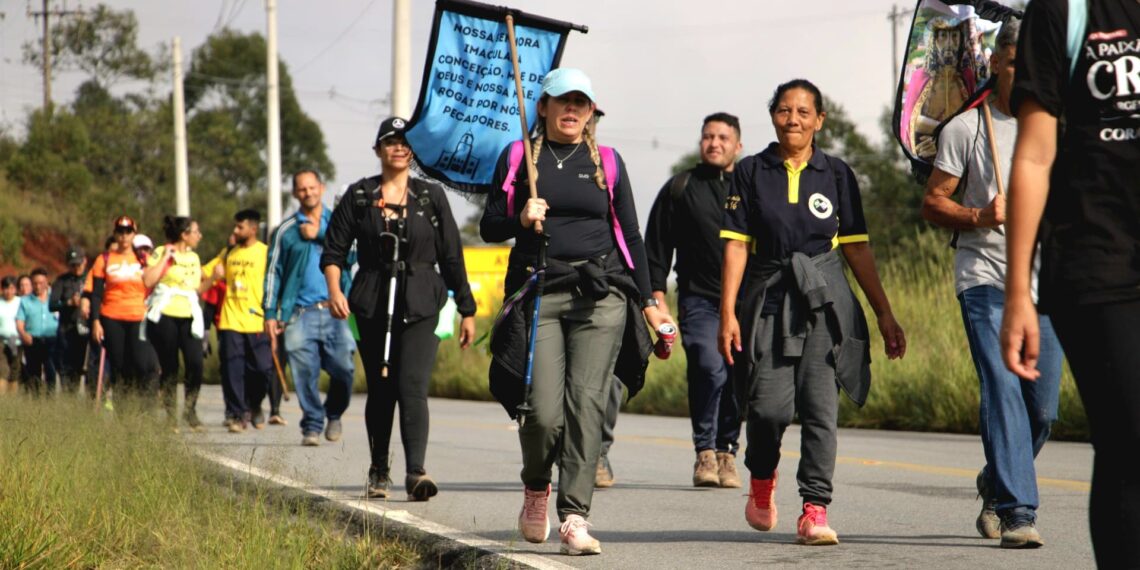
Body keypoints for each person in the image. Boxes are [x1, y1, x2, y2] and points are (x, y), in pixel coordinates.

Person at [482, 68, 672, 556]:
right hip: (540, 293)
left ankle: (574, 517)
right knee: (543, 412)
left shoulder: (607, 162)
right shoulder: (519, 157)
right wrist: (521, 217)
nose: (572, 109)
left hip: (601, 295)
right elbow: (489, 226)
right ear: (542, 107)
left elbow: (631, 237)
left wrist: (650, 303)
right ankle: (535, 485)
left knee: (587, 406)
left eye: (581, 103)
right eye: (562, 100)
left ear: (591, 112)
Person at [719, 79, 906, 546]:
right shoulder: (751, 171)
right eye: (785, 111)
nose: (794, 120)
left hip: (824, 299)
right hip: (769, 297)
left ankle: (814, 508)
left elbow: (857, 248)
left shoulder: (836, 173)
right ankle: (762, 474)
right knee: (768, 409)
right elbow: (737, 247)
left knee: (821, 409)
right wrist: (728, 313)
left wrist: (883, 313)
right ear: (773, 116)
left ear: (820, 120)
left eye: (804, 112)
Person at [1001, 0, 1140, 566]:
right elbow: (1034, 156)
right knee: (1130, 439)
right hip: (1097, 256)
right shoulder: (1066, 9)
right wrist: (1018, 292)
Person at [920, 19, 1059, 549]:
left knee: (1042, 409)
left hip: (1046, 283)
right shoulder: (967, 128)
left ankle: (996, 478)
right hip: (985, 277)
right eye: (1017, 61)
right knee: (1002, 386)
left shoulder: (1057, 125)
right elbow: (933, 202)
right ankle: (1018, 511)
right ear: (997, 63)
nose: (1026, 72)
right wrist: (979, 215)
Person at [322, 116, 476, 501]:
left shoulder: (430, 196)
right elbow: (333, 251)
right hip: (371, 301)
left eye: (406, 142)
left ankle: (416, 472)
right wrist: (335, 290)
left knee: (412, 385)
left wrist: (468, 309)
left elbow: (451, 256)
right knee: (381, 387)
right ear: (378, 150)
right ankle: (379, 470)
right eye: (390, 141)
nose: (399, 147)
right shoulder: (359, 196)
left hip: (422, 300)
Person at [646, 112, 745, 489]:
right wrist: (657, 298)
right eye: (708, 137)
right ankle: (705, 451)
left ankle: (726, 452)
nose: (714, 143)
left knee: (737, 375)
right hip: (698, 300)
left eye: (722, 137)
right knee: (708, 364)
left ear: (738, 146)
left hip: (745, 303)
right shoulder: (681, 186)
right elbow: (656, 247)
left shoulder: (751, 186)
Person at [265, 170, 356, 447]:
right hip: (298, 313)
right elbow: (273, 272)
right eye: (302, 189)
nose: (308, 193)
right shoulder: (286, 230)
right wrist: (270, 313)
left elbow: (353, 254)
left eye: (312, 187)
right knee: (304, 374)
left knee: (344, 368)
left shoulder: (340, 222)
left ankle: (334, 413)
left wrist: (320, 235)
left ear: (322, 188)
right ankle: (313, 424)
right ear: (295, 193)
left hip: (335, 309)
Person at [204, 209, 279, 432]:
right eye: (235, 226)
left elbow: (276, 283)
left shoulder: (265, 253)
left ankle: (254, 404)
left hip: (257, 321)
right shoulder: (228, 253)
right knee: (232, 370)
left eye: (240, 227)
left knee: (262, 369)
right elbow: (204, 273)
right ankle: (237, 415)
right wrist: (213, 275)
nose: (235, 231)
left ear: (253, 229)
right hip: (230, 321)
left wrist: (276, 315)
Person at [142, 216, 206, 432]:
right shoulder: (161, 251)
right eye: (196, 232)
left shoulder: (194, 257)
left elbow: (197, 288)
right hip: (166, 315)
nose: (199, 236)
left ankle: (190, 410)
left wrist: (213, 279)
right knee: (170, 367)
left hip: (189, 316)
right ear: (184, 235)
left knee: (196, 364)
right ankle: (171, 416)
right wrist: (165, 259)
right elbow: (148, 280)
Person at [86, 216, 159, 400]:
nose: (124, 236)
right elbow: (96, 293)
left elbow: (155, 282)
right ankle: (122, 406)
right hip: (112, 316)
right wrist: (95, 321)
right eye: (120, 231)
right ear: (115, 234)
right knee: (119, 364)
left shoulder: (143, 259)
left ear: (134, 234)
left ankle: (142, 402)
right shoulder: (104, 259)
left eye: (128, 232)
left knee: (140, 362)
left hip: (138, 316)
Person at [16, 268, 59, 396]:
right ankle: (36, 399)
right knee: (34, 372)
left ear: (46, 282)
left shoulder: (55, 299)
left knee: (51, 370)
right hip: (32, 341)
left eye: (41, 283)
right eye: (35, 283)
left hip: (52, 341)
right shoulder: (25, 301)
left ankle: (50, 398)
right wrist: (23, 334)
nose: (38, 286)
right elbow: (19, 321)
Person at [51, 247, 89, 394]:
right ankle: (68, 396)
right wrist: (68, 303)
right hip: (66, 329)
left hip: (85, 329)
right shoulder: (61, 281)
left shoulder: (90, 279)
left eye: (78, 264)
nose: (76, 268)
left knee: (82, 366)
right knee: (66, 367)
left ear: (85, 262)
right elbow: (52, 305)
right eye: (72, 265)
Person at [1, 276, 24, 393]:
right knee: (2, 370)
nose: (8, 291)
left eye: (11, 288)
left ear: (15, 289)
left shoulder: (21, 302)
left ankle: (12, 398)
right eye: (6, 288)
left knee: (15, 370)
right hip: (1, 341)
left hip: (17, 341)